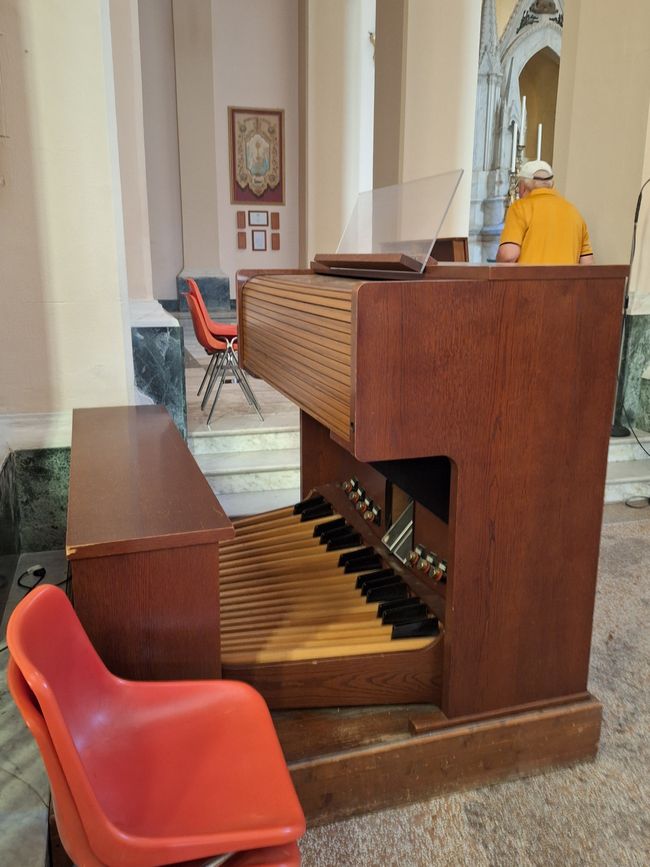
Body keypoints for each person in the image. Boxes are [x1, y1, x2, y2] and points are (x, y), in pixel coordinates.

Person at [496, 159, 593, 265]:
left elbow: (508, 255)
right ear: (552, 185)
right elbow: (587, 263)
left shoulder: (520, 208)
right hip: (566, 281)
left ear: (523, 187)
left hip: (530, 280)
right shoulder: (574, 212)